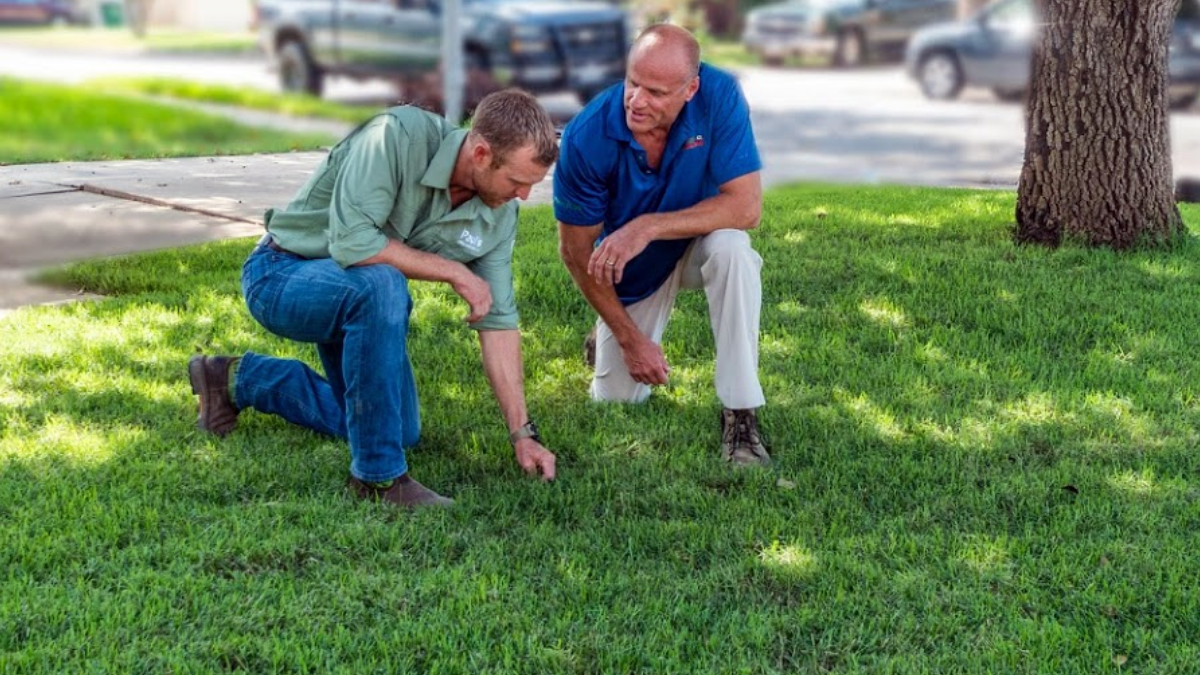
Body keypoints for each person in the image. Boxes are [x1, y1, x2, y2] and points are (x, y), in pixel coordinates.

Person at [188, 89, 559, 508]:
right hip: (280, 274)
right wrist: (455, 272)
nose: (524, 196)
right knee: (384, 282)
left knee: (399, 429)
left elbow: (499, 322)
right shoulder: (394, 135)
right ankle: (379, 479)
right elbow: (353, 245)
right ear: (480, 153)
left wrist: (522, 435)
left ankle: (238, 379)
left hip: (353, 298)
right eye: (517, 181)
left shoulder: (499, 214)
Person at [553, 24, 770, 466]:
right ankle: (607, 331)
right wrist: (630, 340)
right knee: (617, 401)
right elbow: (576, 254)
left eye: (655, 92)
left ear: (691, 89)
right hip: (634, 269)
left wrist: (648, 225)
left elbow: (746, 208)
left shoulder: (720, 95)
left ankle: (740, 412)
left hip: (695, 243)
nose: (636, 100)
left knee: (733, 250)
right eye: (633, 83)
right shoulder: (585, 136)